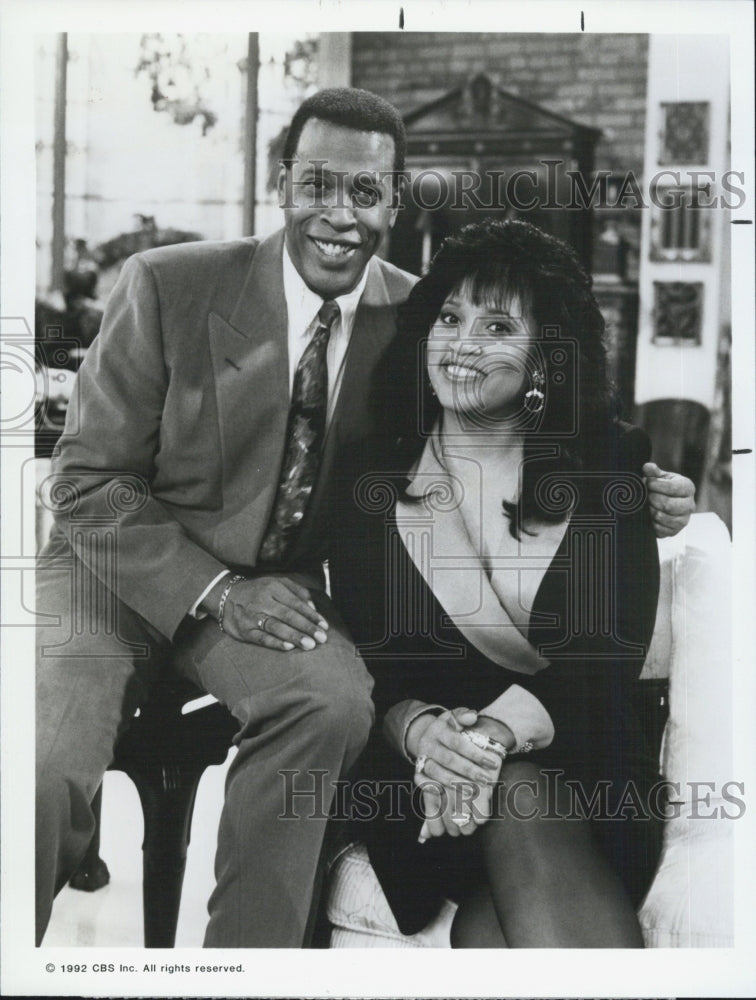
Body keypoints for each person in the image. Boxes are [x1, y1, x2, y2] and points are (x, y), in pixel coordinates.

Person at [35, 85, 694, 949]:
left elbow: (535, 468)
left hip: (281, 596)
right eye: (317, 183)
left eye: (366, 190)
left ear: (395, 199)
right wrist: (218, 591)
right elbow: (86, 481)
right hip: (115, 574)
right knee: (43, 761)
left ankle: (247, 967)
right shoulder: (167, 284)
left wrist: (640, 498)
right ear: (282, 184)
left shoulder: (413, 314)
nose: (340, 214)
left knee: (332, 702)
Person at [328, 218, 676, 947]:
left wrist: (491, 737)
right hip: (430, 780)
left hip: (588, 769)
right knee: (512, 847)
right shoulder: (369, 476)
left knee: (500, 895)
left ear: (546, 355)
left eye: (497, 327)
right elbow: (370, 669)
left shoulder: (610, 463)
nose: (461, 344)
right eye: (449, 318)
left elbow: (605, 664)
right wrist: (426, 735)